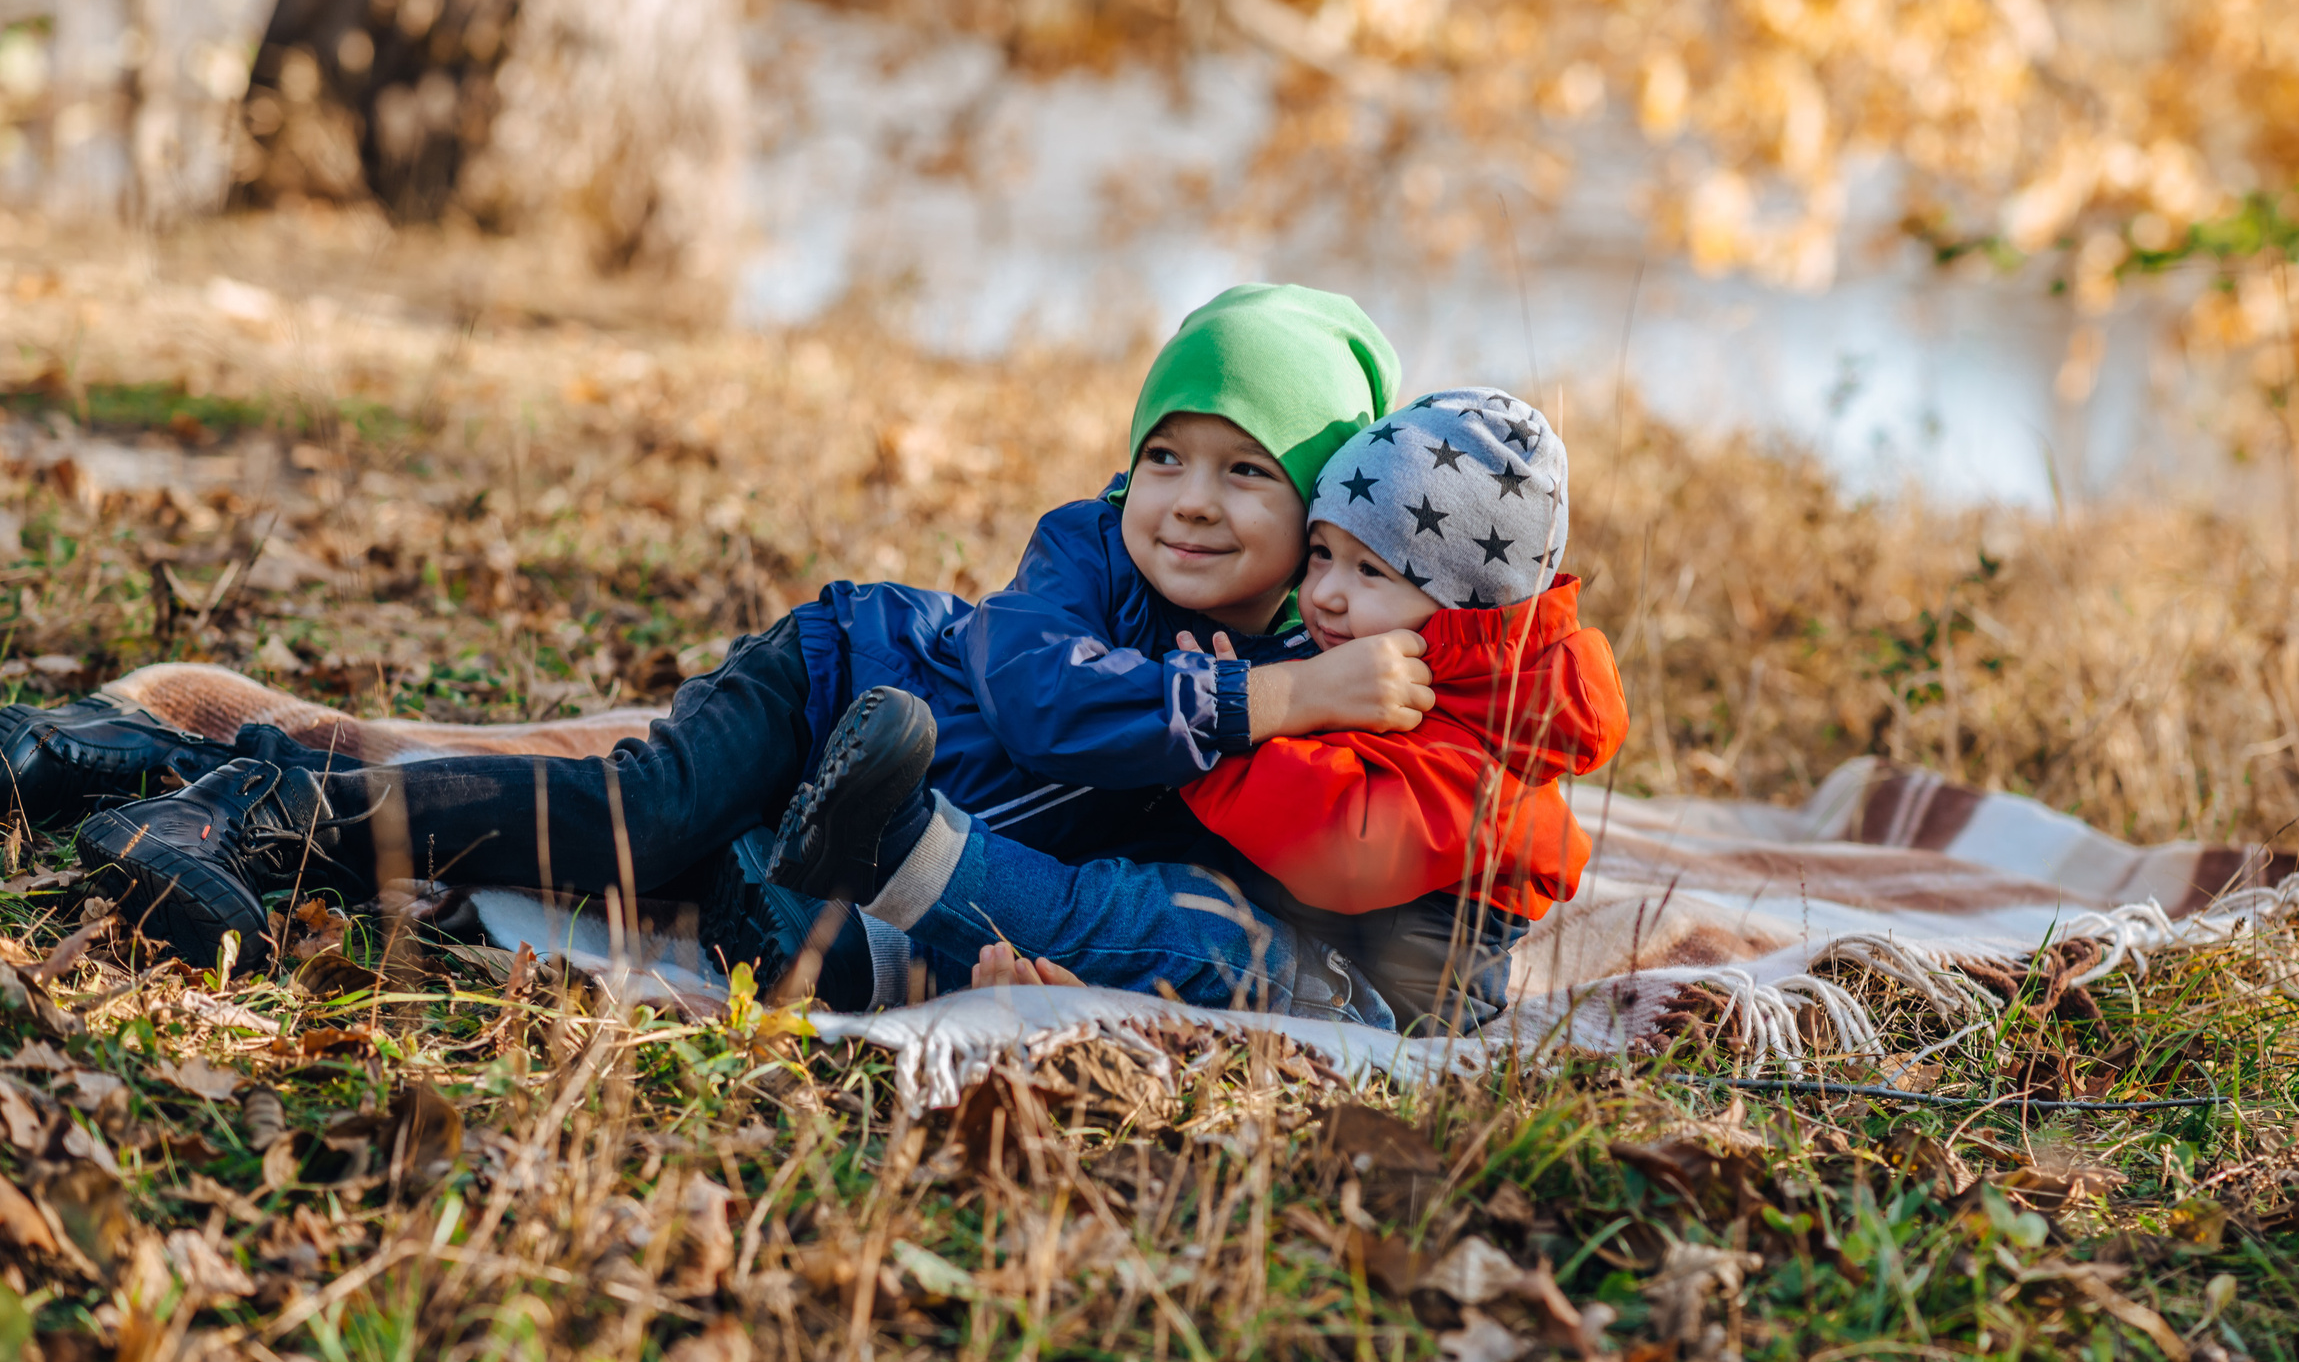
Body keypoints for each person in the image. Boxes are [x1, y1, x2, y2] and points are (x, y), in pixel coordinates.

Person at [67, 285, 1429, 1003]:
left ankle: (133, 767)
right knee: (640, 814)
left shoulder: (1290, 676)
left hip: (861, 818)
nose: (1188, 500)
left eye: (1247, 472)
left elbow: (1157, 865)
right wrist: (1281, 697)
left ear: (1319, 511)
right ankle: (250, 814)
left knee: (757, 911)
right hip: (833, 681)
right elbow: (1042, 707)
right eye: (1165, 455)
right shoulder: (1084, 552)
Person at [764, 389, 1626, 1033]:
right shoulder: (1377, 661)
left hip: (1361, 999)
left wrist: (1221, 726)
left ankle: (901, 847)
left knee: (1175, 921)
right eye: (1321, 555)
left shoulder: (1495, 750)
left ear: (1467, 604)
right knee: (1136, 901)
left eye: (1370, 572)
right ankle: (842, 943)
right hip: (1289, 936)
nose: (1325, 593)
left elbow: (1340, 846)